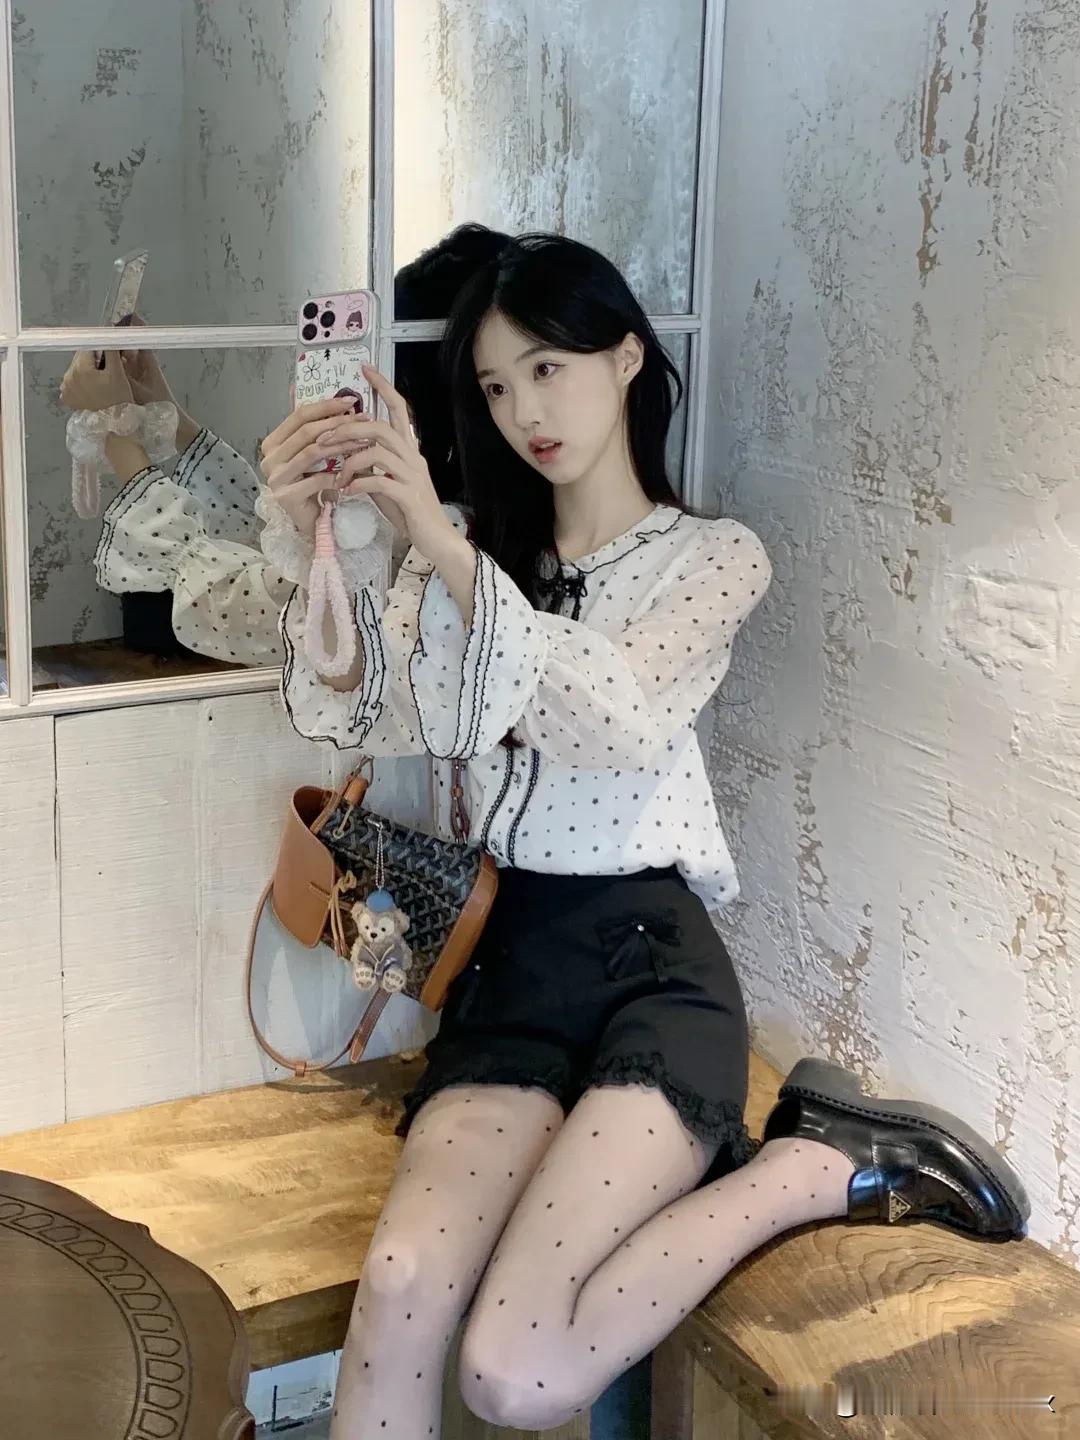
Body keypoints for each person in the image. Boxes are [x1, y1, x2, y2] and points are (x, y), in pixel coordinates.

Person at [259, 232, 1030, 1438]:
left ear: (626, 356)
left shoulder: (712, 560)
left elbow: (614, 719)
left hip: (649, 971)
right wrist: (317, 531)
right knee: (399, 1288)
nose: (525, 412)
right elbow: (366, 705)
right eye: (495, 387)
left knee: (513, 1375)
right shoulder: (474, 556)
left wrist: (450, 556)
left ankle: (812, 1168)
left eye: (548, 368)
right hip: (510, 976)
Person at [56, 223, 512, 666]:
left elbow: (249, 612)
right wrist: (161, 406)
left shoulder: (436, 534)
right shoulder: (477, 509)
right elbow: (263, 540)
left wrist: (114, 428)